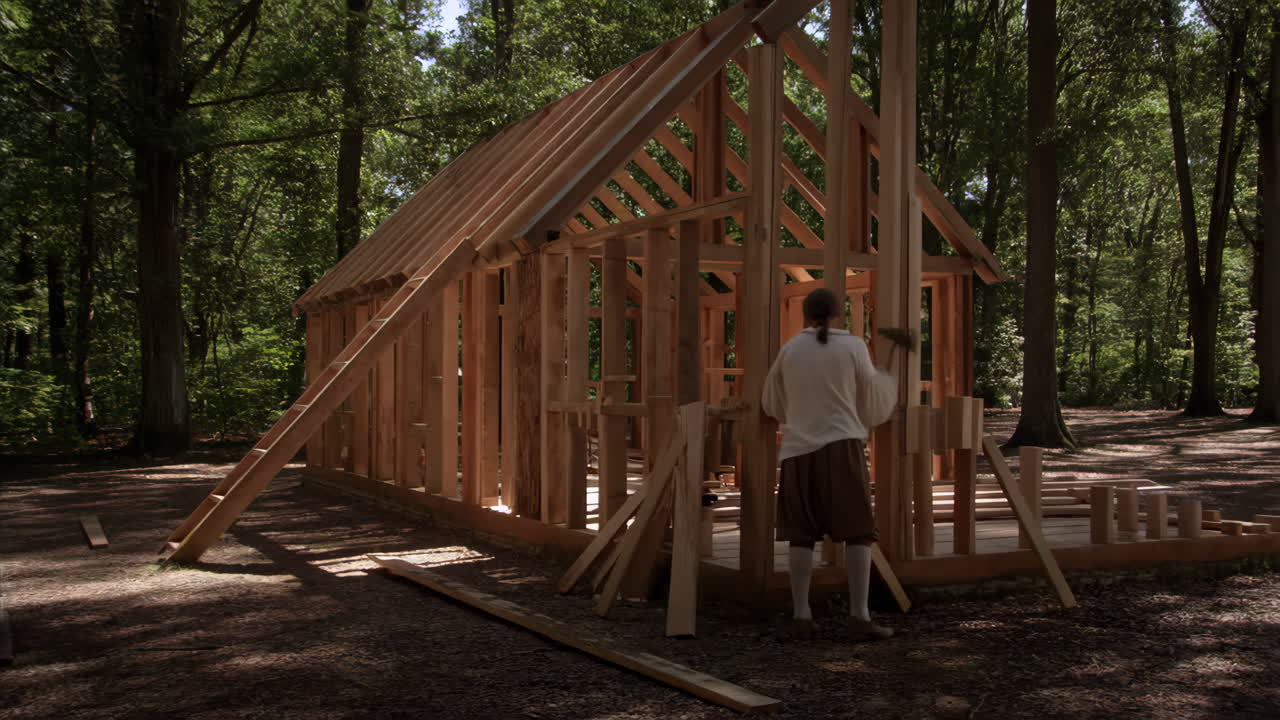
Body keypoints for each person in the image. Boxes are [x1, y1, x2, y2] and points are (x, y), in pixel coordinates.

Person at [761, 288, 896, 641]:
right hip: (842, 447)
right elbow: (871, 401)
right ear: (837, 315)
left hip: (797, 451)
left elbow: (771, 402)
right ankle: (859, 615)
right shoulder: (852, 347)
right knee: (857, 533)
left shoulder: (790, 350)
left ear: (806, 315)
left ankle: (801, 615)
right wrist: (887, 381)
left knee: (801, 535)